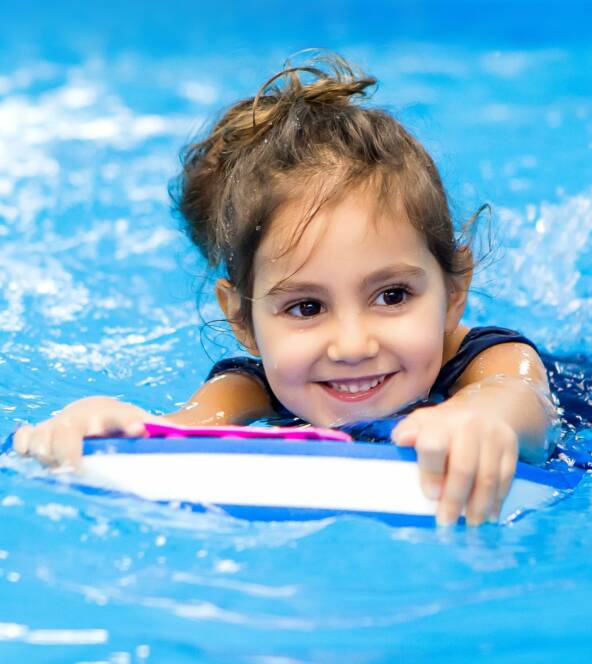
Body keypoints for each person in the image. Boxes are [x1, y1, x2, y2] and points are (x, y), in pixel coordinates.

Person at [12, 52, 558, 526]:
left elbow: (521, 400)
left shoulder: (491, 361)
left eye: (392, 296)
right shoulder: (254, 388)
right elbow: (182, 429)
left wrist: (479, 420)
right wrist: (102, 426)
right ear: (243, 320)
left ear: (454, 290)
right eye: (306, 306)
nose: (352, 345)